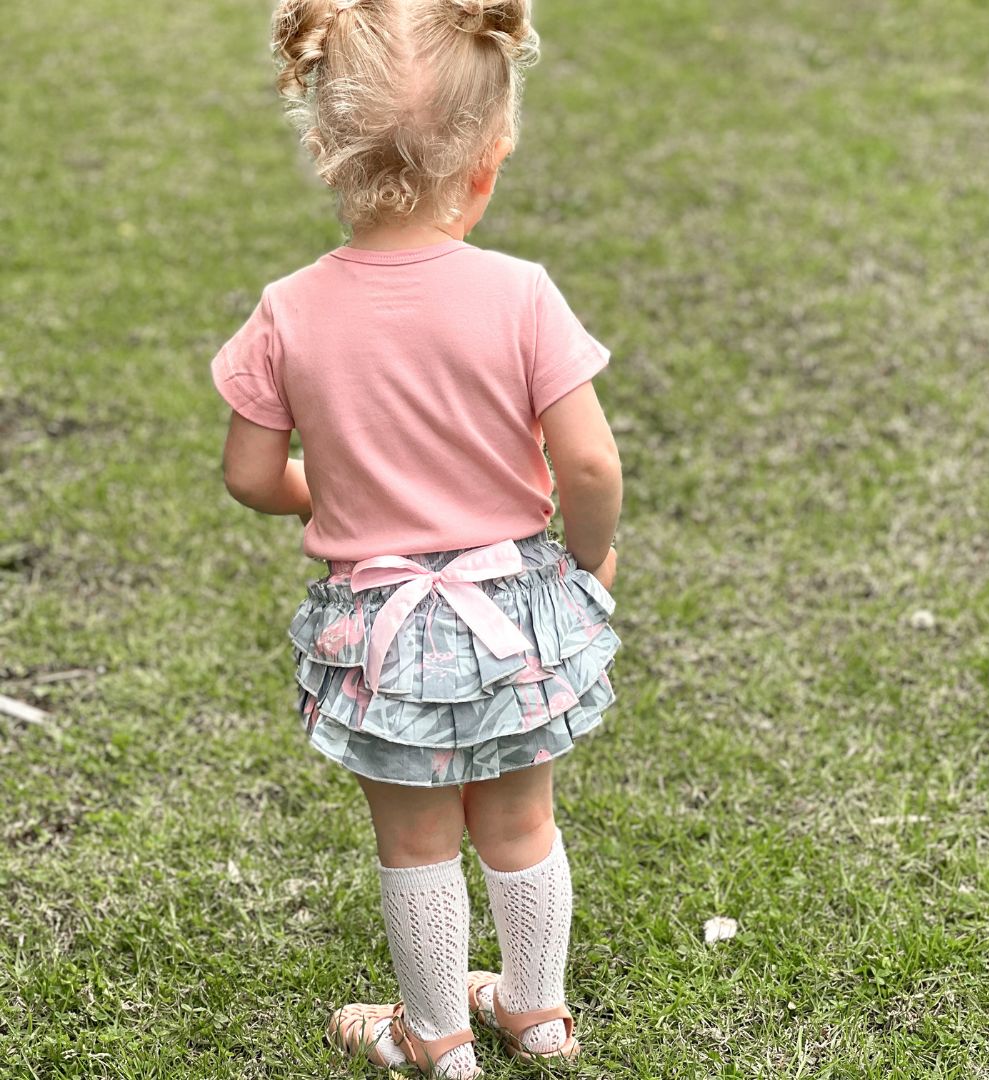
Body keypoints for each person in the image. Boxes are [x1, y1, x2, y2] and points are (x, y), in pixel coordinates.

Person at [209, 0, 622, 1075]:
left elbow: (250, 473)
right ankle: (537, 1016)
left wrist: (324, 497)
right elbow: (588, 464)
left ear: (323, 147)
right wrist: (585, 556)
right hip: (515, 615)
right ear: (489, 160)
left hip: (381, 627)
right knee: (522, 824)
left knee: (417, 842)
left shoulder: (289, 311)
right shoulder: (522, 295)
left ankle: (435, 1037)